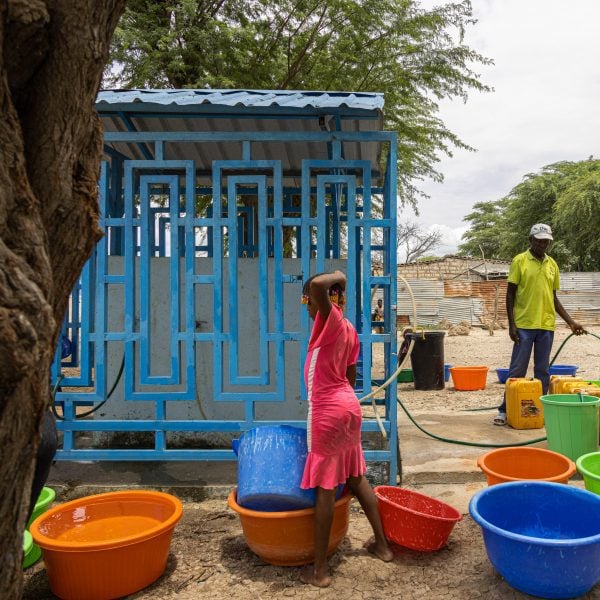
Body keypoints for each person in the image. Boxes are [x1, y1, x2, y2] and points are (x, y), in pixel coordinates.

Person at [300, 270, 393, 587]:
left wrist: (340, 276)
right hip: (348, 407)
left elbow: (316, 285)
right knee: (356, 477)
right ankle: (382, 545)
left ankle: (320, 570)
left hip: (327, 411)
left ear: (317, 300)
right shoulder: (349, 330)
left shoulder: (331, 322)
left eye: (308, 303)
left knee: (325, 487)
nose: (308, 308)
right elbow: (351, 378)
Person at [494, 223, 585, 425]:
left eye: (546, 241)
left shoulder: (552, 264)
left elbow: (553, 298)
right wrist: (512, 324)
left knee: (542, 371)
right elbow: (510, 294)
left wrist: (571, 322)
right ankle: (504, 410)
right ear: (531, 240)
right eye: (539, 240)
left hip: (546, 326)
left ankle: (537, 411)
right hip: (524, 325)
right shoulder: (520, 261)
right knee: (517, 370)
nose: (542, 244)